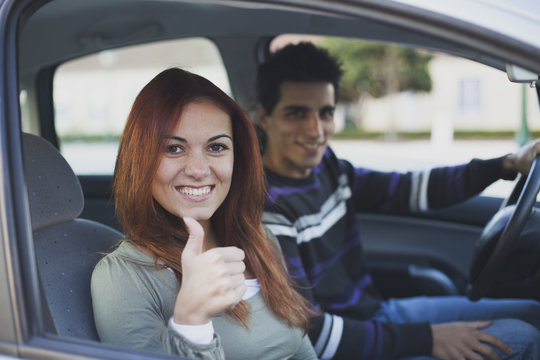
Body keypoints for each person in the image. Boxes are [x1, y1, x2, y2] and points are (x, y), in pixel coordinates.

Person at [256, 42, 540, 360]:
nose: (316, 130)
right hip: (352, 346)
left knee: (533, 312)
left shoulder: (327, 166)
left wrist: (506, 164)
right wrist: (429, 339)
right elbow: (309, 332)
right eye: (297, 114)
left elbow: (406, 189)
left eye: (326, 113)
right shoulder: (269, 210)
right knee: (523, 338)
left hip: (379, 316)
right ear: (265, 117)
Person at [91, 67, 318, 360]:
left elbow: (301, 349)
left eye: (216, 147)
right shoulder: (123, 279)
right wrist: (191, 319)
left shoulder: (262, 240)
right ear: (140, 159)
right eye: (173, 148)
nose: (198, 170)